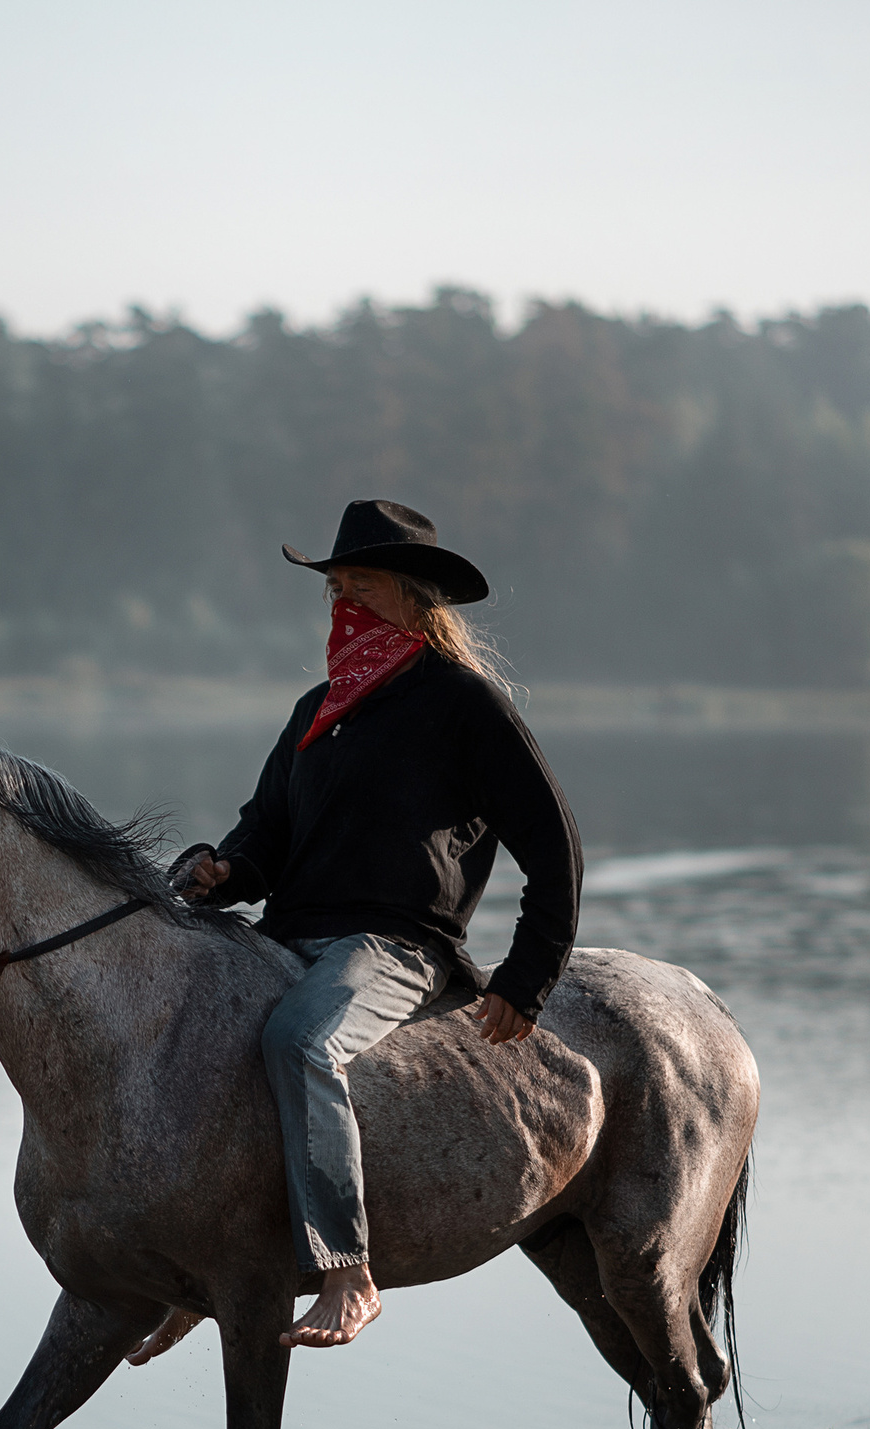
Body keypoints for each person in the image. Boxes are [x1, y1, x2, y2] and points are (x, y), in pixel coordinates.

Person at [129, 499, 582, 1360]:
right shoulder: (318, 707)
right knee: (194, 1030)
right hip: (286, 929)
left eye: (359, 585)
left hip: (394, 945)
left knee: (302, 1041)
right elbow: (265, 831)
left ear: (411, 597)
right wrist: (226, 870)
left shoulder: (464, 705)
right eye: (334, 587)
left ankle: (347, 1269)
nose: (341, 602)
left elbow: (555, 848)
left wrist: (527, 979)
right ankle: (208, 1265)